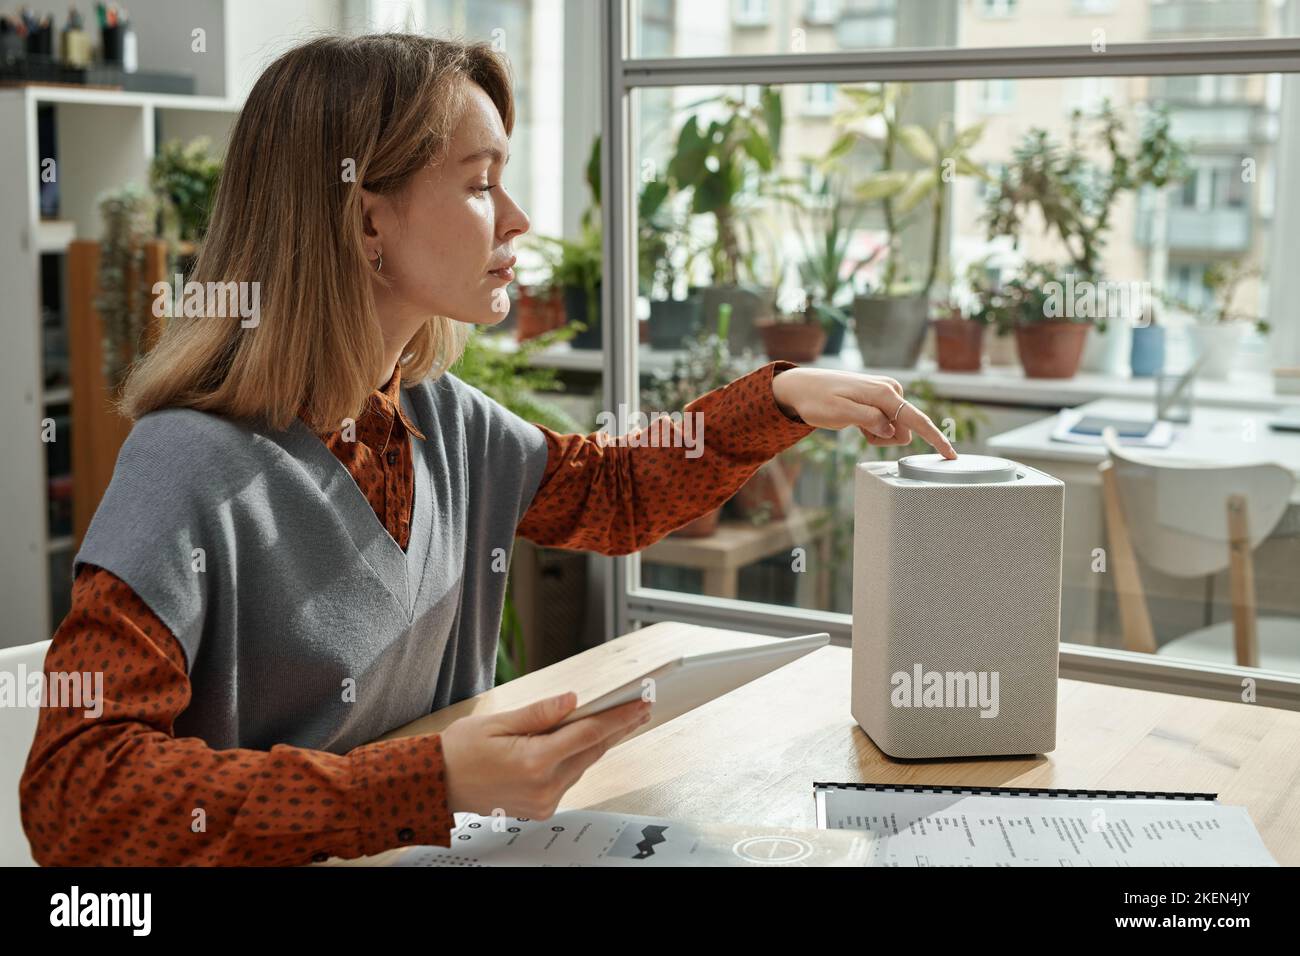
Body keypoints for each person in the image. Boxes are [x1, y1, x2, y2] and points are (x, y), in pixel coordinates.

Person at [19, 33, 956, 866]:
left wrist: (780, 397)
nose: (517, 218)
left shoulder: (442, 418)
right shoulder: (186, 463)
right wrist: (421, 785)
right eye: (478, 184)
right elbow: (75, 793)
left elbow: (614, 492)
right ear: (365, 220)